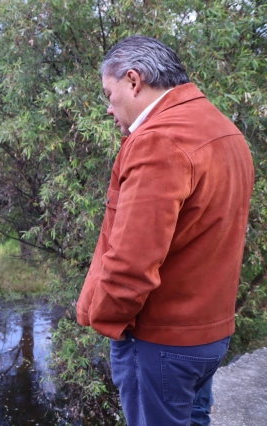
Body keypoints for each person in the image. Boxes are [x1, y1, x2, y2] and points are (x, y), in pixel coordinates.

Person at [75, 35, 254, 426]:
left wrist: (106, 319)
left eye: (110, 93)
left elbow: (130, 263)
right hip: (210, 333)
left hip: (161, 341)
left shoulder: (159, 140)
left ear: (134, 81)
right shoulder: (224, 130)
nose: (109, 108)